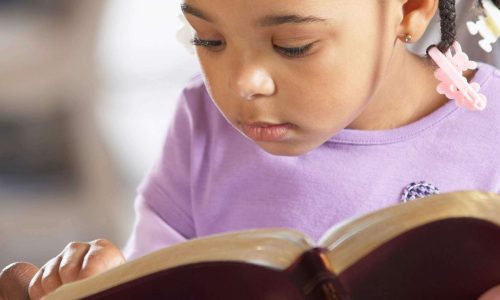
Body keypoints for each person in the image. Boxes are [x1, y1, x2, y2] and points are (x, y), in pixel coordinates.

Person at [1, 0, 500, 299]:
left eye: (292, 45)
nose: (243, 83)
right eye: (208, 39)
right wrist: (108, 282)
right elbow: (161, 279)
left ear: (410, 8)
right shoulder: (202, 122)